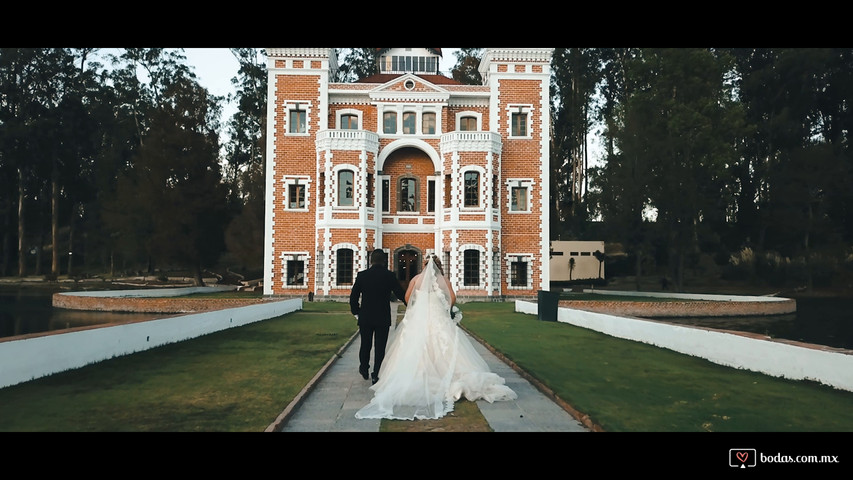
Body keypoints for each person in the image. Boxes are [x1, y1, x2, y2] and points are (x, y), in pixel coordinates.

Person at [355, 254, 517, 420]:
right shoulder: (443, 280)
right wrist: (446, 307)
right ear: (438, 266)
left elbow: (406, 297)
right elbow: (452, 297)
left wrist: (416, 306)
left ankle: (377, 371)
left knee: (411, 345)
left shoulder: (416, 279)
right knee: (444, 344)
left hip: (418, 318)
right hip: (438, 316)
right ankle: (443, 373)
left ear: (424, 266)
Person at [349, 249, 408, 385]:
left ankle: (364, 368)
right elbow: (400, 293)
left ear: (371, 261)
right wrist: (410, 303)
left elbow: (354, 296)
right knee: (380, 347)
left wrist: (356, 311)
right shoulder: (389, 276)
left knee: (365, 344)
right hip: (382, 316)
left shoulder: (362, 275)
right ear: (384, 261)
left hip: (366, 316)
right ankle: (376, 374)